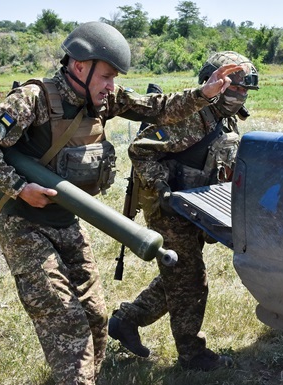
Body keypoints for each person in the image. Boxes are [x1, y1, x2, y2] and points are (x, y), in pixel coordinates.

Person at [0, 22, 242, 385]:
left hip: (69, 221)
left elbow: (157, 109)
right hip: (25, 225)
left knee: (95, 316)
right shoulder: (34, 99)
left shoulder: (103, 99)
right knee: (66, 319)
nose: (112, 86)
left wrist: (204, 94)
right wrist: (18, 187)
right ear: (80, 66)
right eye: (107, 76)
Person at [108, 51, 259, 371]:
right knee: (192, 280)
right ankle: (192, 354)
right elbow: (140, 150)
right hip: (170, 209)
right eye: (233, 88)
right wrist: (161, 188)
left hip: (200, 207)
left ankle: (126, 320)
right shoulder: (189, 116)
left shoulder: (227, 118)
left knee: (177, 277)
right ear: (212, 82)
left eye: (244, 90)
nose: (239, 94)